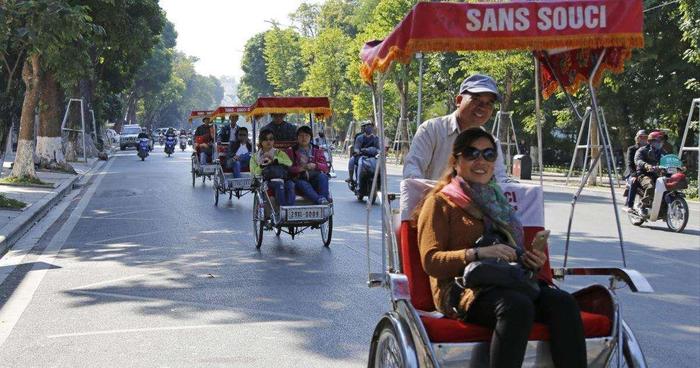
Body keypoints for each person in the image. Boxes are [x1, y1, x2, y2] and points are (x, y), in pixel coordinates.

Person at [415, 128, 586, 368]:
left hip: (505, 280)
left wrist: (528, 259)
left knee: (563, 302)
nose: (480, 161)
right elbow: (431, 261)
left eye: (488, 154)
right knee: (516, 306)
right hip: (461, 288)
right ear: (456, 161)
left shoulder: (499, 203)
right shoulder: (440, 202)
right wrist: (477, 254)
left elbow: (507, 254)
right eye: (472, 153)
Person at [404, 74, 508, 182]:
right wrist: (437, 196)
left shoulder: (492, 143)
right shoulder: (431, 130)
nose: (482, 107)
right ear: (458, 100)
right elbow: (412, 172)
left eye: (489, 103)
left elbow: (501, 179)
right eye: (476, 99)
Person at [250, 128, 295, 207]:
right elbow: (254, 173)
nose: (268, 141)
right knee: (279, 185)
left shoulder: (279, 153)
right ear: (261, 141)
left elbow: (289, 163)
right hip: (266, 180)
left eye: (271, 139)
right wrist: (262, 165)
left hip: (282, 177)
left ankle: (289, 210)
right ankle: (282, 209)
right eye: (265, 139)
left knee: (291, 184)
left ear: (273, 141)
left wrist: (274, 158)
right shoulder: (255, 157)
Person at [287, 126, 330, 204]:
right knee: (302, 183)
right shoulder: (291, 151)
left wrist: (315, 165)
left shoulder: (317, 150)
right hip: (300, 179)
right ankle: (320, 200)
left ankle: (324, 200)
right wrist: (302, 168)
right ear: (297, 137)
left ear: (310, 137)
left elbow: (325, 167)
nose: (304, 138)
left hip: (315, 178)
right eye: (301, 136)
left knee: (323, 176)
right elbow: (289, 169)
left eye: (306, 135)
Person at [634, 130, 665, 212]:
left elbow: (669, 159)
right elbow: (637, 160)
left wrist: (679, 165)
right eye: (658, 141)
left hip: (657, 174)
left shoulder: (662, 152)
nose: (660, 143)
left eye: (661, 141)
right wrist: (646, 165)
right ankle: (642, 206)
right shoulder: (642, 150)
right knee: (651, 186)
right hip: (644, 174)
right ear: (651, 142)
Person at [345, 121, 380, 187]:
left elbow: (379, 149)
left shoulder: (376, 138)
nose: (369, 128)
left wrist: (377, 152)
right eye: (367, 126)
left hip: (373, 157)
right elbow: (356, 148)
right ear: (364, 128)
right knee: (351, 161)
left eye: (370, 126)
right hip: (361, 156)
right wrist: (358, 151)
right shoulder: (359, 138)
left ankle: (380, 180)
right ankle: (351, 178)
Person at [624, 130, 647, 211]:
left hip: (644, 172)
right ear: (637, 138)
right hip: (632, 172)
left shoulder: (649, 149)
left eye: (645, 137)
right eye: (641, 137)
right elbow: (630, 164)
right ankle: (630, 206)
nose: (643, 139)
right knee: (634, 181)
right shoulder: (632, 149)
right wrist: (634, 175)